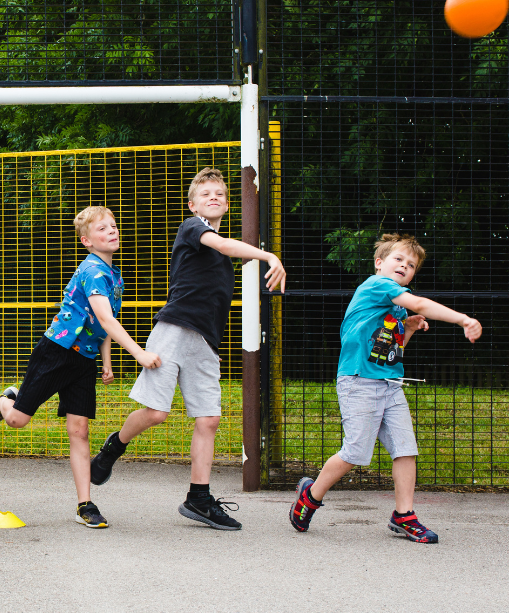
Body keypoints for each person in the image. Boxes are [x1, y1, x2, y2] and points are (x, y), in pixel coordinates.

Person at [88, 168, 286, 531]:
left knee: (209, 419)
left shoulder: (221, 255)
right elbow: (225, 244)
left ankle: (198, 497)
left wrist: (212, 344)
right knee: (156, 413)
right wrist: (269, 256)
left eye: (220, 194)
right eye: (206, 193)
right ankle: (113, 447)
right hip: (174, 331)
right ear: (193, 203)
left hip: (206, 343)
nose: (214, 197)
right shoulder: (192, 227)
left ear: (227, 204)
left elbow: (225, 256)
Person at [287, 233, 482, 543]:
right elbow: (418, 302)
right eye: (398, 259)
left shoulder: (397, 310)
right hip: (358, 383)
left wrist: (410, 328)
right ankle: (311, 495)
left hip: (389, 384)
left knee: (406, 449)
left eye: (411, 264)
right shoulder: (377, 286)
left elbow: (391, 349)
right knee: (354, 454)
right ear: (379, 264)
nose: (404, 266)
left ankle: (404, 515)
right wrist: (463, 320)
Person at [0, 206, 161, 529]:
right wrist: (139, 353)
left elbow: (103, 324)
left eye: (114, 226)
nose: (112, 231)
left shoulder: (114, 276)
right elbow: (107, 318)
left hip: (84, 360)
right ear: (86, 241)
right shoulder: (93, 271)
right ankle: (4, 400)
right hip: (56, 351)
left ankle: (85, 504)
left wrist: (106, 360)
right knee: (17, 420)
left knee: (79, 431)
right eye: (103, 229)